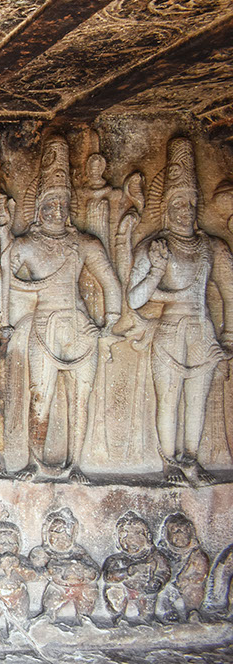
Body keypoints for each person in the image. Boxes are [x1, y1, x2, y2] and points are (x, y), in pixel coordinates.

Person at [0, 136, 121, 482]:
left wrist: (110, 322)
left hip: (80, 326)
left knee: (82, 398)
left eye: (63, 205)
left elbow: (110, 282)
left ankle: (77, 464)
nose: (57, 212)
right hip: (45, 326)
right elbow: (1, 279)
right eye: (51, 205)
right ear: (39, 209)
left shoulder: (83, 244)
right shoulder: (27, 245)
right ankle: (37, 464)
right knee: (41, 395)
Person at [128, 137, 233, 485]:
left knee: (197, 401)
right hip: (169, 334)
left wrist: (229, 334)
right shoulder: (154, 247)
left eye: (190, 203)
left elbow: (229, 293)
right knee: (169, 400)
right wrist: (157, 270)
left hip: (202, 332)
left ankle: (191, 459)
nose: (185, 211)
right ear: (166, 208)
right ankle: (170, 461)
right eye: (178, 204)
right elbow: (135, 299)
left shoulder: (210, 247)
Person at [28, 508, 100, 626]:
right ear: (46, 533)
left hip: (80, 586)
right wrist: (52, 571)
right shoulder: (43, 552)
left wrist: (86, 572)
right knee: (53, 597)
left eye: (65, 533)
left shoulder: (78, 551)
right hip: (58, 587)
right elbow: (35, 570)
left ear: (73, 534)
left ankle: (84, 617)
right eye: (55, 532)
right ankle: (49, 615)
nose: (60, 537)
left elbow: (95, 570)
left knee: (90, 590)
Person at [102, 511, 170, 625]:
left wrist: (158, 581)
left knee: (148, 605)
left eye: (137, 534)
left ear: (147, 537)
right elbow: (108, 577)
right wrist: (128, 572)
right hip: (124, 590)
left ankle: (147, 618)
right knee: (113, 591)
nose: (131, 539)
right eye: (126, 535)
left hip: (146, 590)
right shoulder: (115, 559)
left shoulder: (155, 557)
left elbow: (164, 571)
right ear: (118, 539)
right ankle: (118, 615)